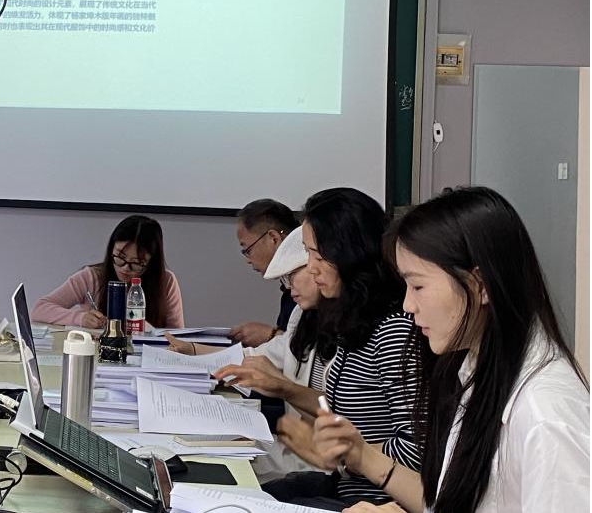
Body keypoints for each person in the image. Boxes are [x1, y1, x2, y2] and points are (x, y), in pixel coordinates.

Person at [312, 187, 590, 513]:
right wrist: (362, 455)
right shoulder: (474, 368)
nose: (408, 305)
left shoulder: (545, 411)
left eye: (418, 286)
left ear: (479, 285)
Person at [214, 188, 423, 510]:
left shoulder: (392, 331)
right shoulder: (352, 320)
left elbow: (415, 450)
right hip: (347, 484)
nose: (311, 268)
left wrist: (343, 453)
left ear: (350, 255)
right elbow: (337, 406)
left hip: (375, 501)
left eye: (319, 257)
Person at [165, 226, 323, 480]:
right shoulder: (302, 315)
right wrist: (193, 351)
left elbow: (339, 419)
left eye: (292, 275)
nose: (289, 287)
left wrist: (283, 387)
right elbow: (256, 356)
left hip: (317, 465)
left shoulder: (353, 331)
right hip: (292, 448)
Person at [32, 215, 185, 329]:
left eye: (136, 263)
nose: (125, 268)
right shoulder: (92, 277)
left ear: (151, 263)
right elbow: (39, 309)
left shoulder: (166, 281)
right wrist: (80, 318)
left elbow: (177, 336)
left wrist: (150, 331)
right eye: (120, 257)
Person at [230, 199, 301, 346]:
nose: (248, 260)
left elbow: (308, 348)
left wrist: (270, 335)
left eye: (248, 250)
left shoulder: (308, 286)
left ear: (274, 239)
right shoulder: (288, 287)